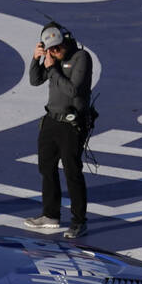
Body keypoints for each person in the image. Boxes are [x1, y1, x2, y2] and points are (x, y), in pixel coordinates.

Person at [24, 21, 94, 240]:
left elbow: (74, 90)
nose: (54, 52)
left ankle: (79, 221)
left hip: (72, 124)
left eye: (57, 47)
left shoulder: (81, 58)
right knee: (46, 168)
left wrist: (52, 68)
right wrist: (36, 60)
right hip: (51, 120)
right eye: (50, 49)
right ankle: (50, 214)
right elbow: (35, 80)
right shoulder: (52, 59)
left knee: (72, 171)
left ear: (67, 41)